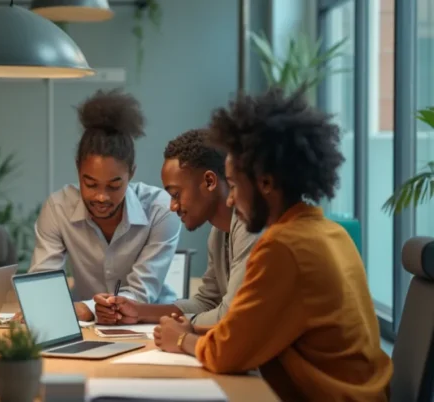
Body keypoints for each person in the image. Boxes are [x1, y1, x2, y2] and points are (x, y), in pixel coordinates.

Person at [153, 88, 392, 401]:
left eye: (235, 185)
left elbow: (227, 351)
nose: (230, 198)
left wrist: (182, 339)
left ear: (265, 183)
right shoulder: (328, 232)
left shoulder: (284, 246)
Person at [28, 89, 182, 322]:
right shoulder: (58, 208)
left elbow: (140, 293)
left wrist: (84, 309)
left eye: (113, 186)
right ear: (78, 169)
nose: (101, 197)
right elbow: (43, 283)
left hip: (151, 323)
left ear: (132, 173)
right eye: (90, 184)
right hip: (86, 326)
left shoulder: (160, 210)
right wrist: (55, 307)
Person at [94, 129, 259, 326]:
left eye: (176, 194)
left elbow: (232, 317)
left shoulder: (251, 227)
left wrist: (182, 331)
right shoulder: (218, 233)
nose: (172, 206)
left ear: (209, 181)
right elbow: (207, 303)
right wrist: (139, 311)